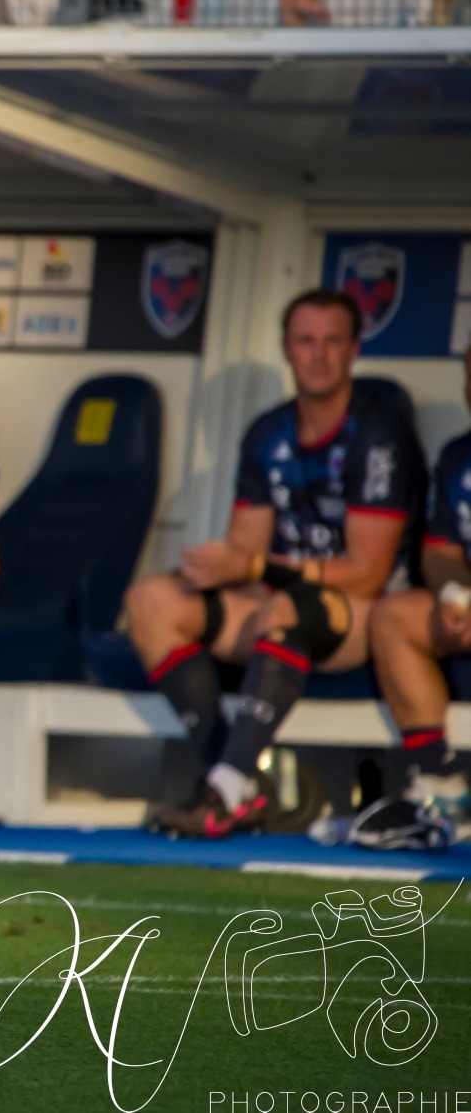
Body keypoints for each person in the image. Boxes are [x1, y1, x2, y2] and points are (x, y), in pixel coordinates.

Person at [126, 289, 426, 839]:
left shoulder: (379, 433)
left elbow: (368, 570)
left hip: (366, 615)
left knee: (285, 605)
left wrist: (262, 566)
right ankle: (235, 781)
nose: (318, 354)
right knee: (151, 600)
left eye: (333, 341)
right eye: (306, 341)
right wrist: (221, 567)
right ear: (287, 349)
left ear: (355, 349)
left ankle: (221, 792)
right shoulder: (268, 433)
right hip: (283, 603)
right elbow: (247, 547)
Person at [362, 350, 471, 843]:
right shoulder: (457, 456)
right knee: (393, 616)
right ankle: (443, 788)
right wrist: (454, 593)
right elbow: (441, 550)